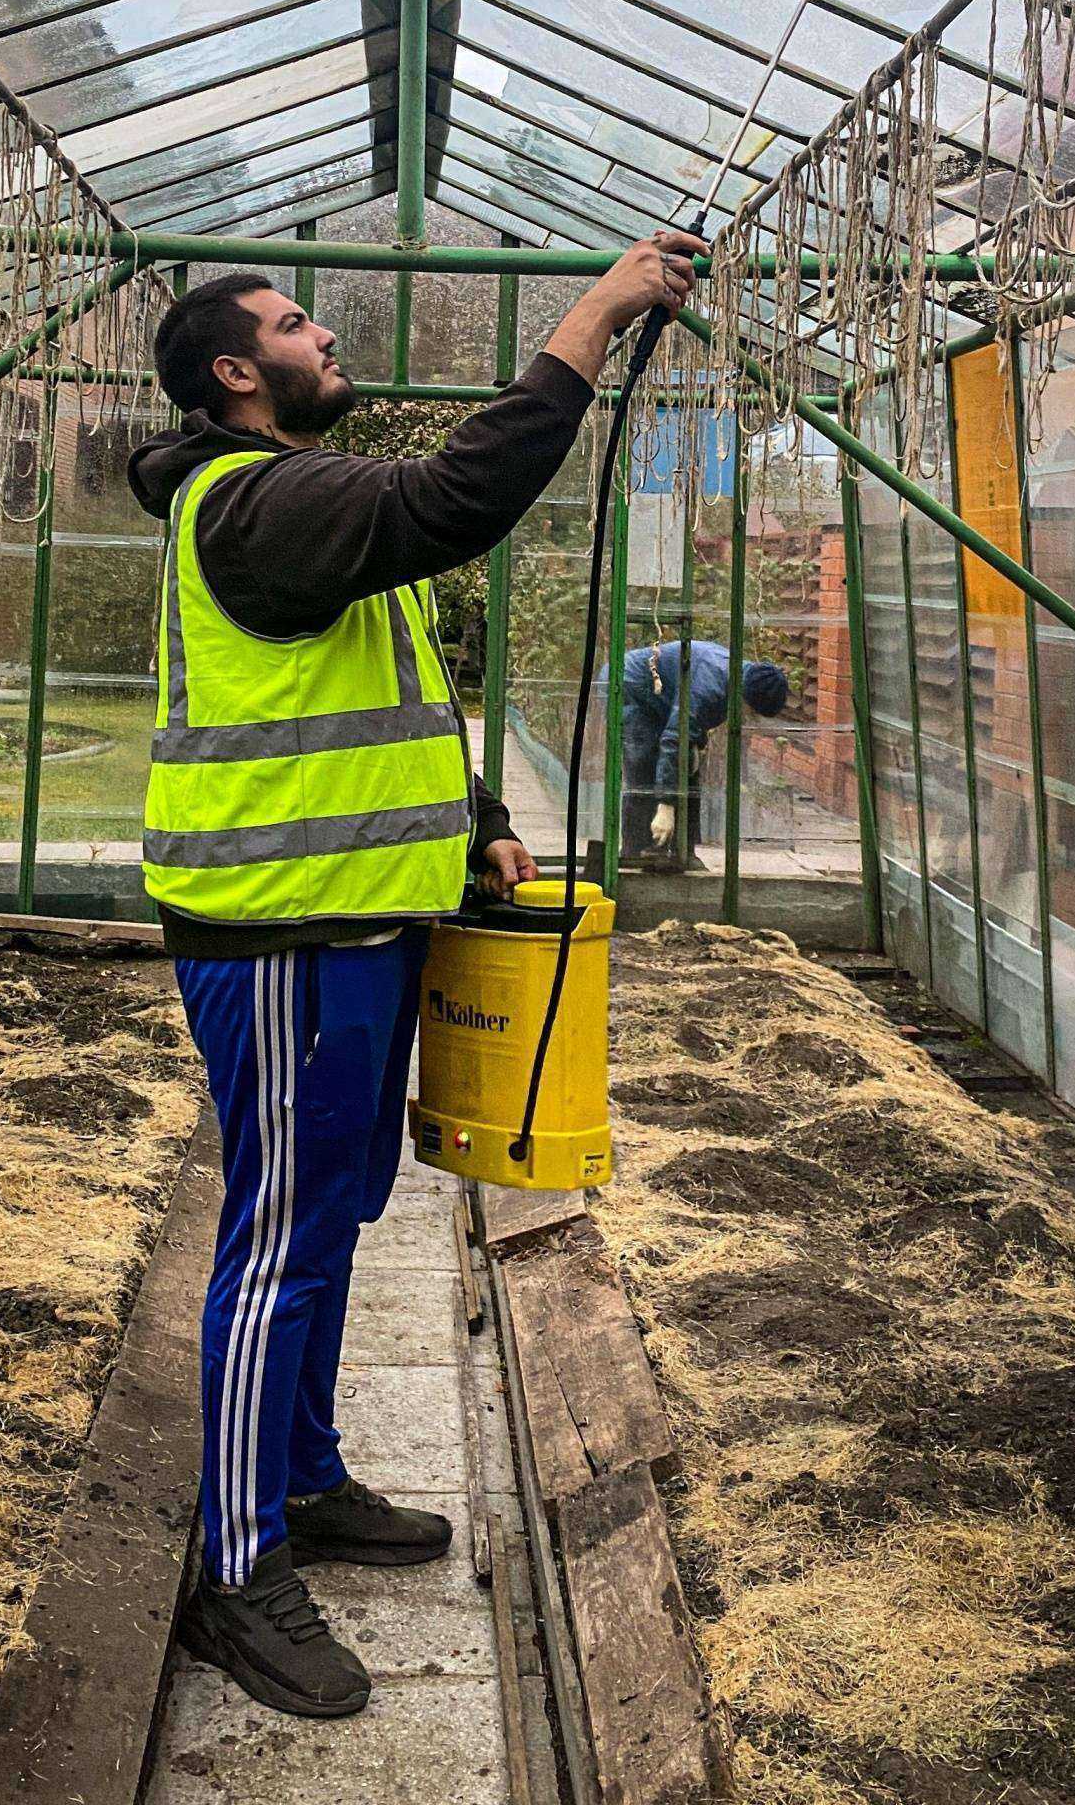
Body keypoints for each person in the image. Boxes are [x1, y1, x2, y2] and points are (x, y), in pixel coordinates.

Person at [128, 228, 701, 1722]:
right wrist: (597, 310)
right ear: (241, 374)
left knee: (337, 1212)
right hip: (281, 932)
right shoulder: (251, 499)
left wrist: (486, 826)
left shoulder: (310, 509)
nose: (329, 338)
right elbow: (460, 497)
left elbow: (399, 684)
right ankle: (235, 1568)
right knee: (278, 1240)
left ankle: (301, 1476)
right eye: (299, 323)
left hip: (364, 923)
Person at [613, 640, 787, 867]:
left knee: (687, 769)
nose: (749, 716)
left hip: (662, 700)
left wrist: (696, 749)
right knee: (644, 764)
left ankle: (682, 854)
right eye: (752, 711)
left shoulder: (735, 679)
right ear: (745, 697)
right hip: (631, 688)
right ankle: (635, 853)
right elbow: (676, 737)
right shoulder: (711, 685)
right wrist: (666, 806)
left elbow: (692, 727)